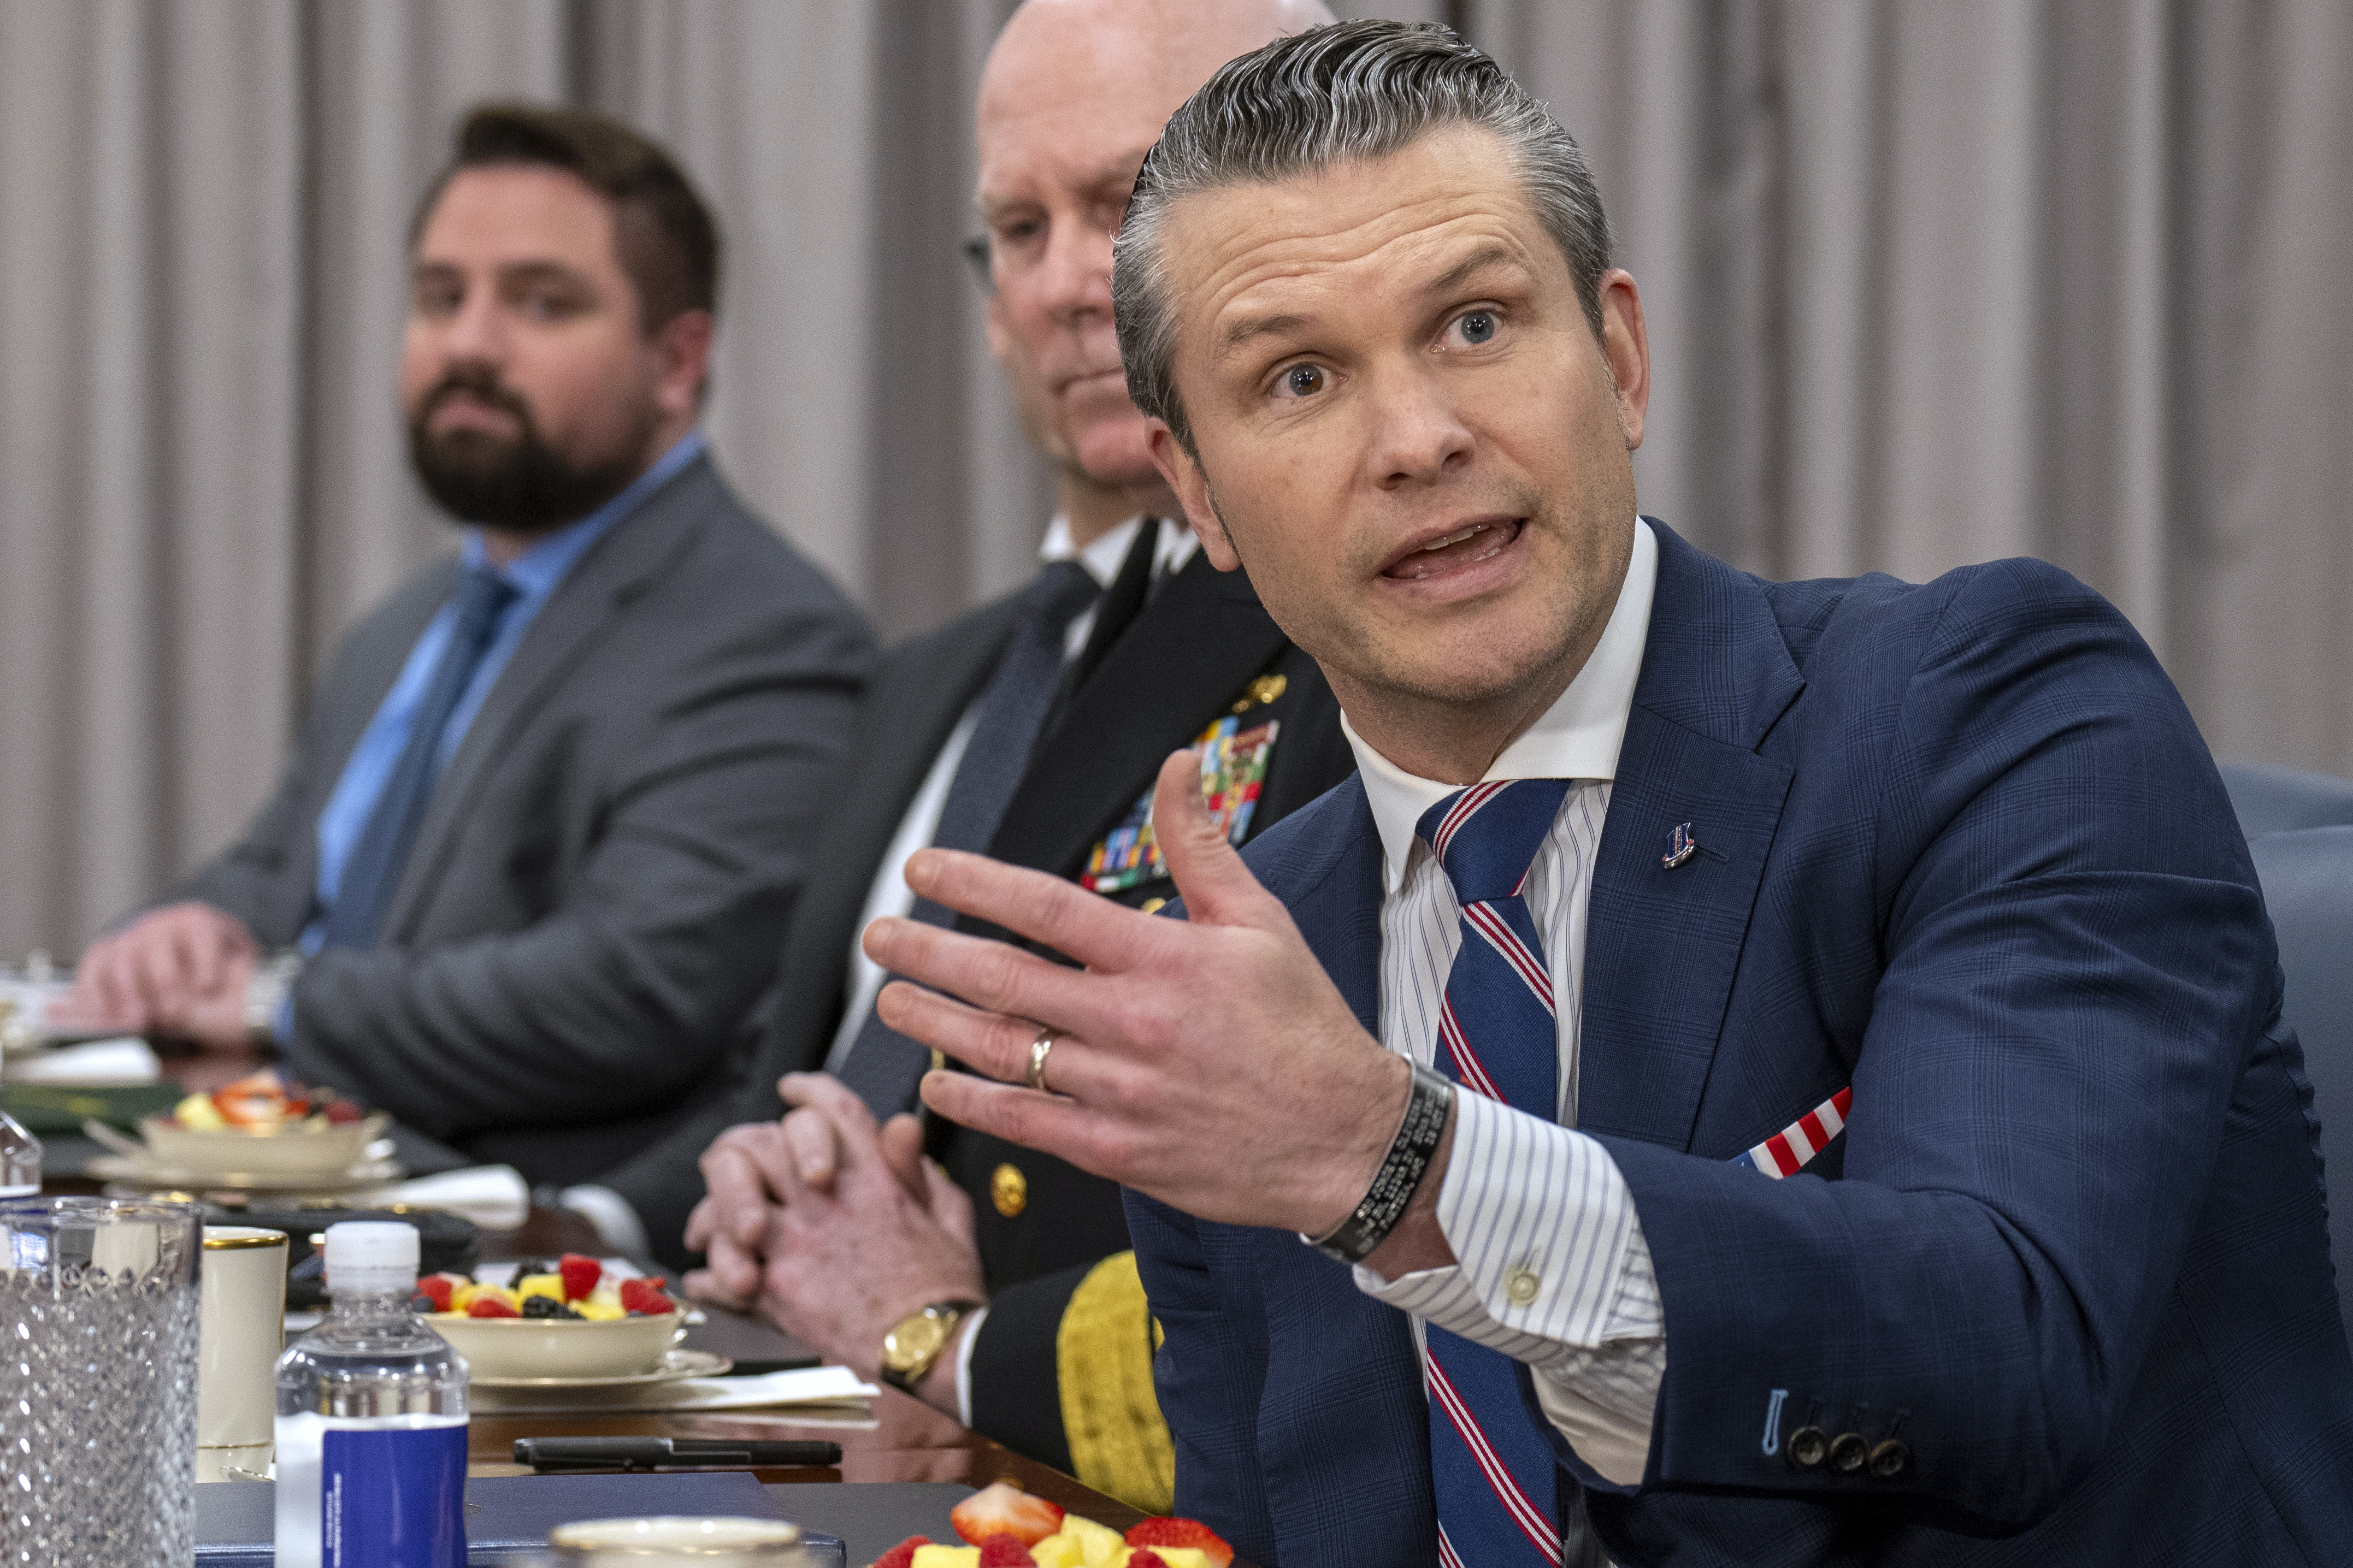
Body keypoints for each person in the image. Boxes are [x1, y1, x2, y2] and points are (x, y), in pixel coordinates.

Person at [861, 20, 2353, 1566]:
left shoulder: (1984, 710)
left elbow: (2005, 1353)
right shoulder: (1258, 958)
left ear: (1619, 358)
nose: (1419, 438)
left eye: (1477, 326)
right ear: (1196, 494)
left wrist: (1401, 1169)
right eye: (1298, 378)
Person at [576, 0, 1347, 1511]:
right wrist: (767, 1191)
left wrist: (934, 1319)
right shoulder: (933, 676)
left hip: (1098, 1471)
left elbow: (1332, 1181)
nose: (1069, 284)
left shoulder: (1358, 633)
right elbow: (810, 1085)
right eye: (1018, 226)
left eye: (1127, 202)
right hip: (802, 1398)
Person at [51, 104, 874, 1187]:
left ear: (679, 362)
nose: (469, 344)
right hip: (285, 1197)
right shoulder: (402, 626)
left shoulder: (770, 635)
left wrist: (269, 1000)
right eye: (443, 297)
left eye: (541, 302)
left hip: (527, 1261)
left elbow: (632, 988)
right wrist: (189, 927)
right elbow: (284, 866)